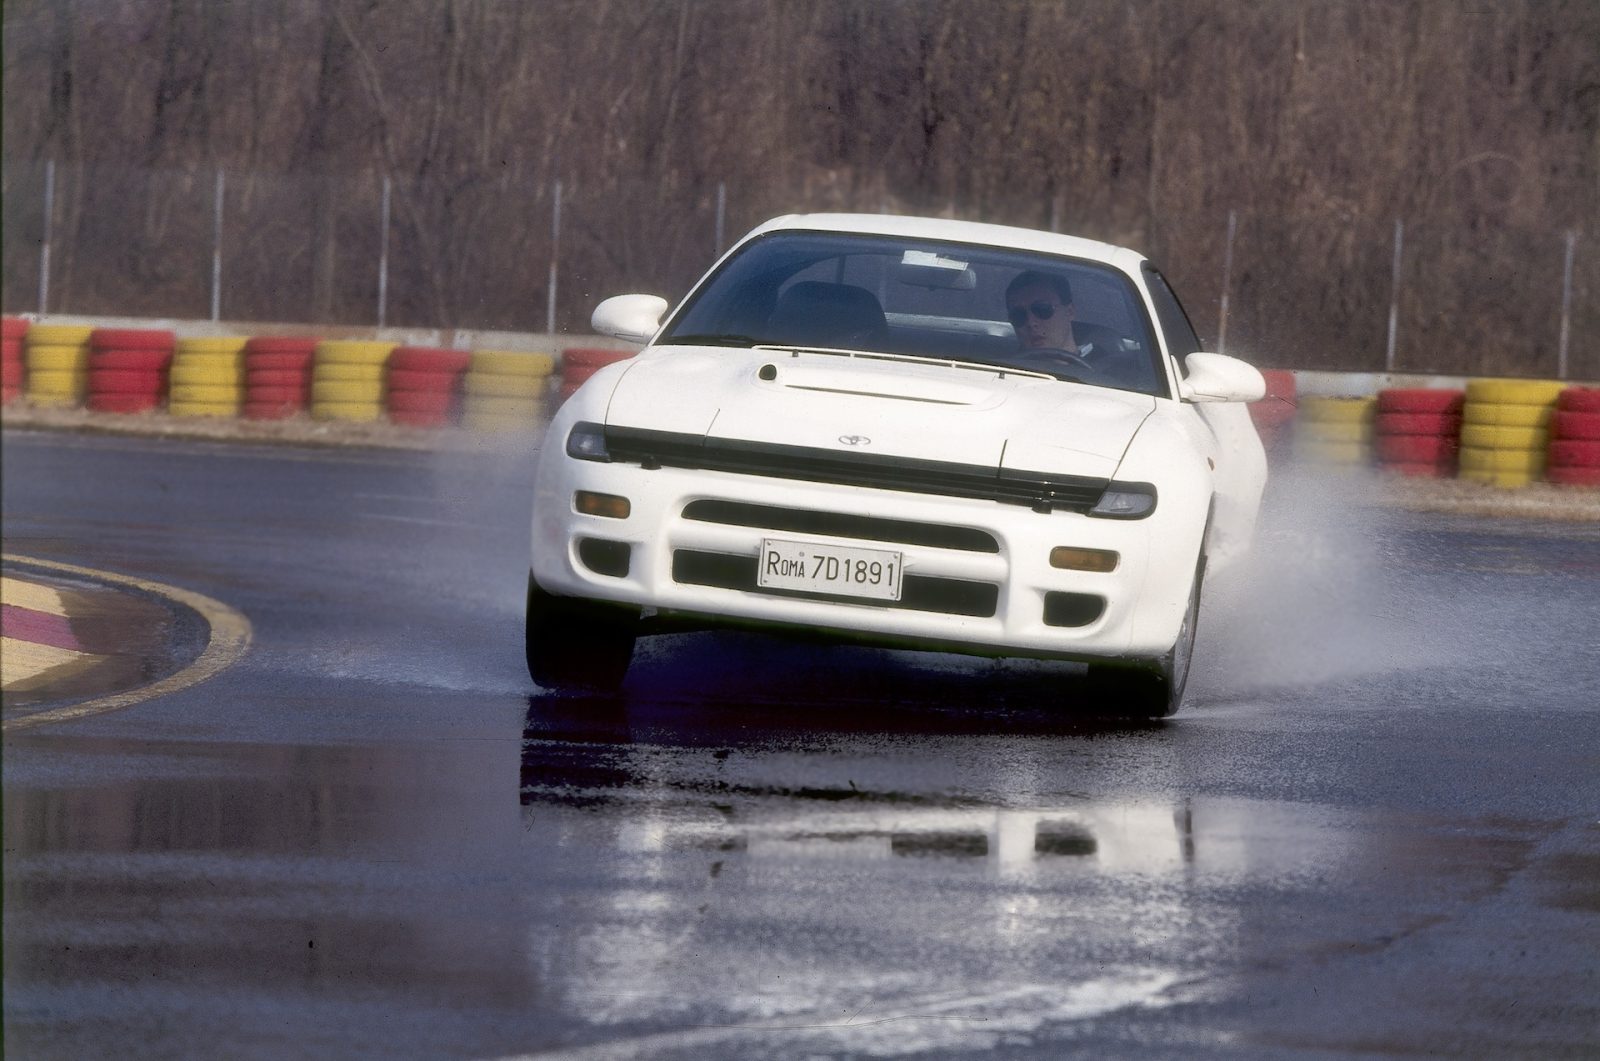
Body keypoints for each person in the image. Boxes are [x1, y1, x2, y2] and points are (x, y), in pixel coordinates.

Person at [1005, 270, 1088, 355]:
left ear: (1070, 312)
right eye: (1018, 315)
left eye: (1042, 310)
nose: (1031, 323)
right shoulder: (998, 366)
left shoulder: (1100, 364)